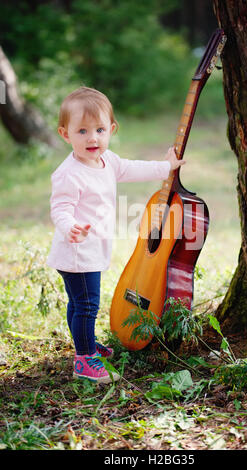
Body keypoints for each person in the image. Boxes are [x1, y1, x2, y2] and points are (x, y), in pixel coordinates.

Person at [47, 86, 185, 384]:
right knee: (86, 305)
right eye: (82, 131)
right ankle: (84, 359)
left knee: (78, 303)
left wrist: (167, 167)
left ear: (111, 129)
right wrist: (69, 225)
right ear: (65, 134)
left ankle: (84, 345)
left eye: (99, 129)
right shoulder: (69, 173)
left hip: (90, 250)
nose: (92, 138)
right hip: (77, 252)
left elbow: (134, 169)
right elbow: (60, 206)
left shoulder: (108, 162)